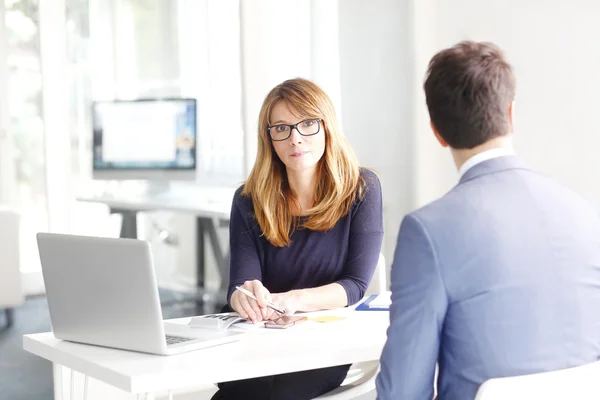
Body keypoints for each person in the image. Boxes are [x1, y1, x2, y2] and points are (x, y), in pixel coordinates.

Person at [376, 41, 600, 400]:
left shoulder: (428, 230)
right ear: (511, 115)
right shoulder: (584, 213)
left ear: (437, 131)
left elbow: (403, 391)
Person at [211, 78, 384, 400]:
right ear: (270, 137)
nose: (295, 138)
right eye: (281, 128)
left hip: (323, 339)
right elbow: (240, 283)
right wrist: (242, 297)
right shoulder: (248, 199)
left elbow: (355, 285)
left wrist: (290, 300)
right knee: (238, 391)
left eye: (307, 124)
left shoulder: (362, 188)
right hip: (259, 334)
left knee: (280, 393)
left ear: (326, 126)